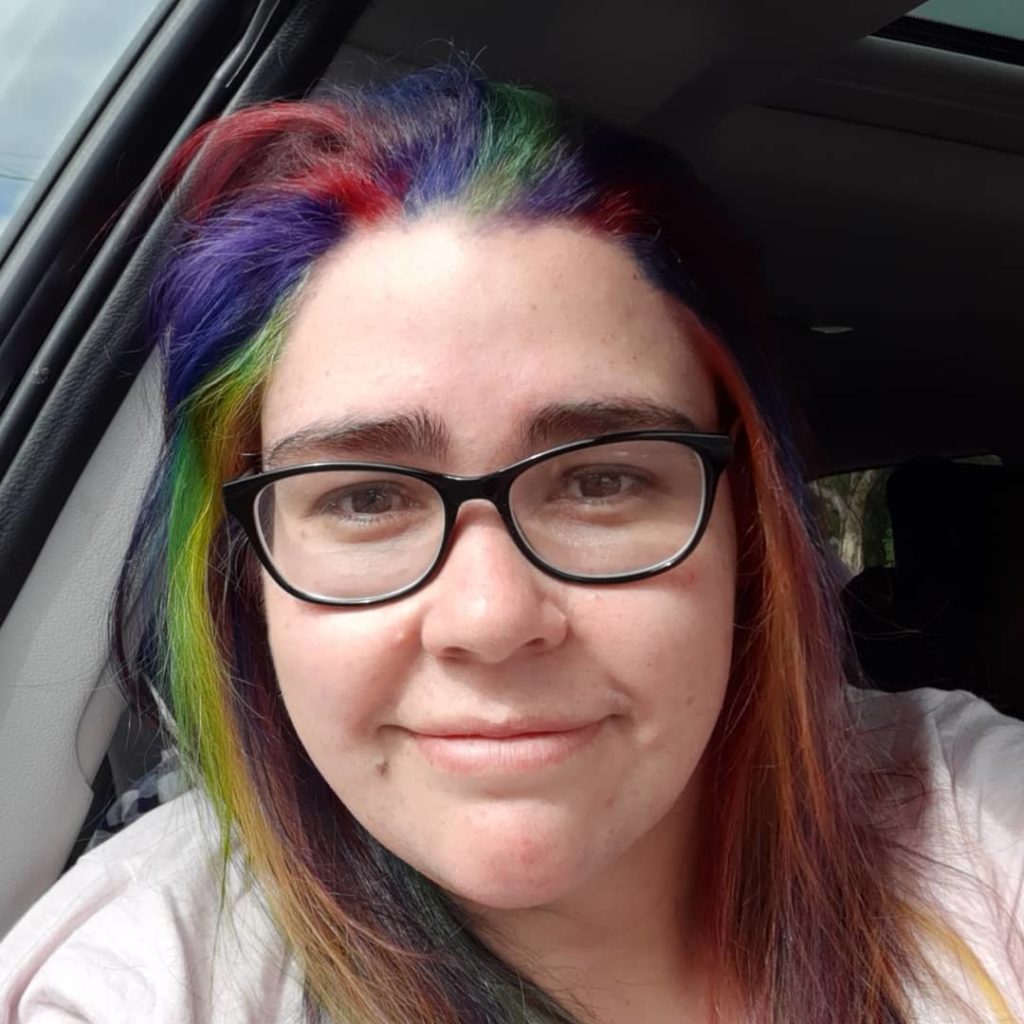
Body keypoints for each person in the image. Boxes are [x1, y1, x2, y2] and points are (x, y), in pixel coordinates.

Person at [0, 65, 1022, 1024]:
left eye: (602, 479)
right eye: (362, 497)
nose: (490, 618)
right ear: (243, 584)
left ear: (748, 531)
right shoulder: (146, 978)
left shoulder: (973, 825)